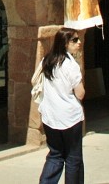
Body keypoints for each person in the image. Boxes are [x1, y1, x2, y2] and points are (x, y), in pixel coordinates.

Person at [38, 27, 85, 184]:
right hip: (69, 117)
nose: (79, 42)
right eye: (74, 40)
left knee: (55, 155)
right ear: (65, 43)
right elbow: (80, 93)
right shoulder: (71, 65)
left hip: (50, 116)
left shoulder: (47, 61)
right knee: (73, 158)